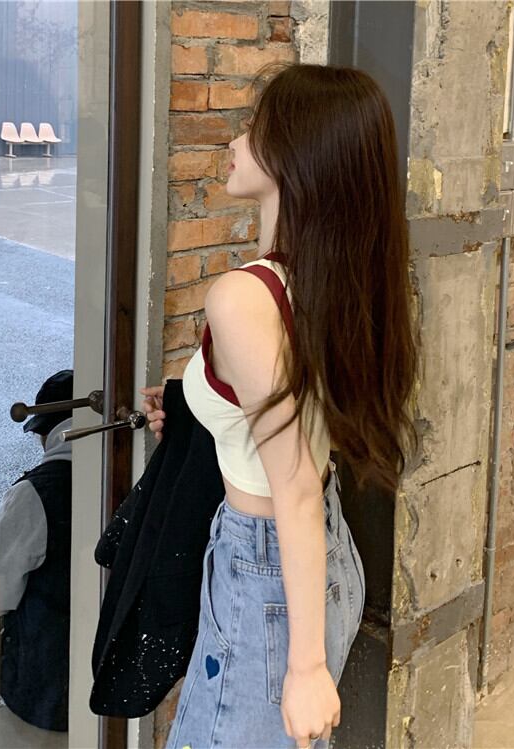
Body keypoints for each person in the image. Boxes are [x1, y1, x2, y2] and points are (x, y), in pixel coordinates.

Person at [140, 62, 419, 749]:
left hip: (267, 568)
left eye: (255, 126)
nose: (236, 139)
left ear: (294, 154)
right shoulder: (329, 280)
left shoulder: (244, 297)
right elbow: (303, 429)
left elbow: (289, 482)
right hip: (320, 549)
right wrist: (195, 406)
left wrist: (306, 667)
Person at [0, 370, 74, 747]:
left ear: (47, 431)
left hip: (45, 688)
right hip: (108, 668)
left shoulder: (36, 493)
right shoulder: (128, 474)